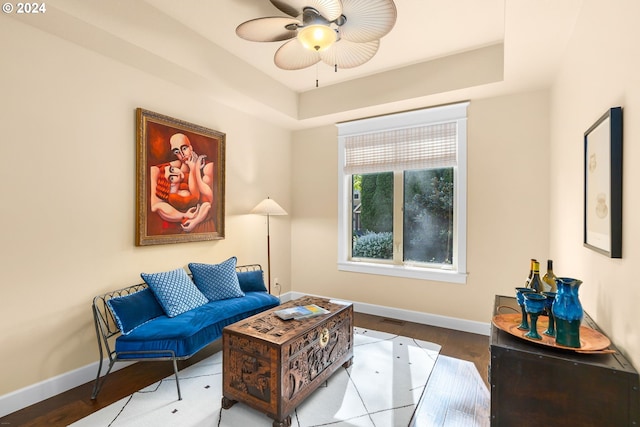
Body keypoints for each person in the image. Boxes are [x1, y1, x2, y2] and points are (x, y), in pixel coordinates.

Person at [149, 133, 215, 233]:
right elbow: (155, 206)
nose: (182, 154)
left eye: (184, 148)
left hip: (202, 226)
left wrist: (194, 170)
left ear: (191, 147)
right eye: (177, 151)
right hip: (181, 227)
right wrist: (183, 216)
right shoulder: (176, 168)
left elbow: (206, 202)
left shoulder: (207, 168)